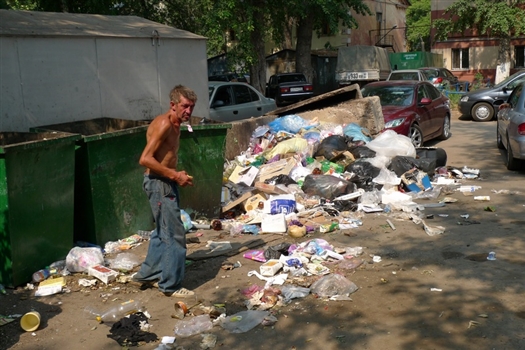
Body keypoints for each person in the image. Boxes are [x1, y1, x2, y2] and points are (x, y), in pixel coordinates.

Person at [132, 85, 197, 297]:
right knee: (175, 233)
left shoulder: (177, 125)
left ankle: (148, 274)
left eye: (191, 107)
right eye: (185, 106)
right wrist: (175, 175)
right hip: (159, 183)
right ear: (173, 105)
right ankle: (170, 286)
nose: (188, 111)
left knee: (162, 232)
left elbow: (164, 156)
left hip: (165, 182)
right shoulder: (164, 124)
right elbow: (145, 159)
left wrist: (175, 175)